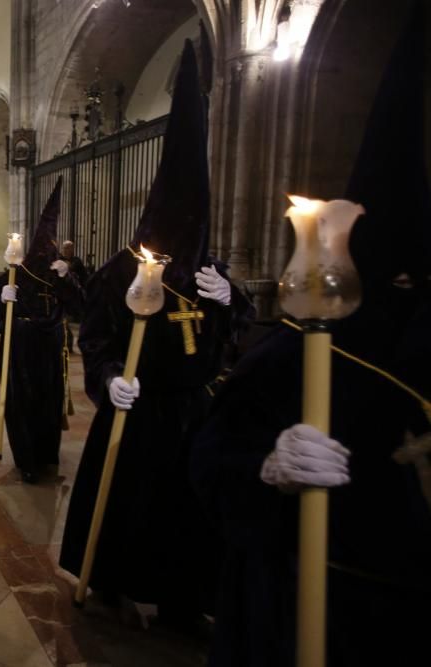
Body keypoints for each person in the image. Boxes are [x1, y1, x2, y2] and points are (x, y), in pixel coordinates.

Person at [191, 13, 431, 665]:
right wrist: (267, 466)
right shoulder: (308, 343)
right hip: (314, 612)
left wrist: (229, 304)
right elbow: (217, 455)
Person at [59, 41, 253, 630]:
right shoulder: (124, 270)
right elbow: (94, 340)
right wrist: (108, 377)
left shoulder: (211, 271)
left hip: (195, 416)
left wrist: (234, 301)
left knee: (187, 517)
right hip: (137, 416)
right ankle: (113, 584)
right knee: (130, 510)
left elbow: (234, 341)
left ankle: (183, 604)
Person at [0, 178, 83, 482]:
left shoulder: (59, 276)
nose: (49, 257)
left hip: (51, 349)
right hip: (21, 350)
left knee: (49, 402)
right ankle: (28, 460)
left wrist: (67, 278)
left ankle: (46, 454)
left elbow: (82, 308)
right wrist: (2, 302)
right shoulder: (14, 274)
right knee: (24, 404)